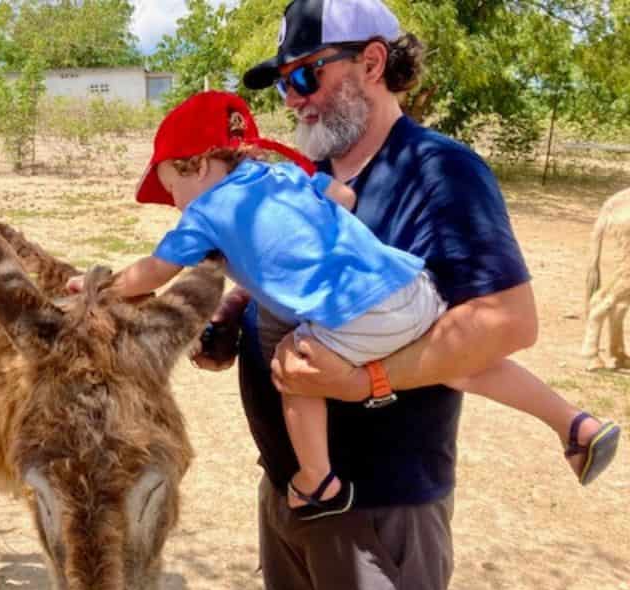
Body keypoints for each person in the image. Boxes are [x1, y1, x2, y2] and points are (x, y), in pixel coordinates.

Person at [185, 0, 619, 590]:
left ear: (372, 62)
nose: (293, 102)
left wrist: (366, 382)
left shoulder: (437, 172)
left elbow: (508, 322)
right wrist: (228, 323)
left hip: (380, 507)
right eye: (283, 86)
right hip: (294, 491)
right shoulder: (320, 177)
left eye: (304, 78)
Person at [69, 88, 619, 524]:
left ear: (194, 166)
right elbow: (345, 198)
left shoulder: (206, 213)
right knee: (467, 368)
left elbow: (153, 273)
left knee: (296, 368)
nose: (176, 204)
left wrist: (100, 287)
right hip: (408, 284)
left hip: (353, 313)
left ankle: (318, 479)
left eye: (171, 188)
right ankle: (574, 424)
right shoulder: (281, 173)